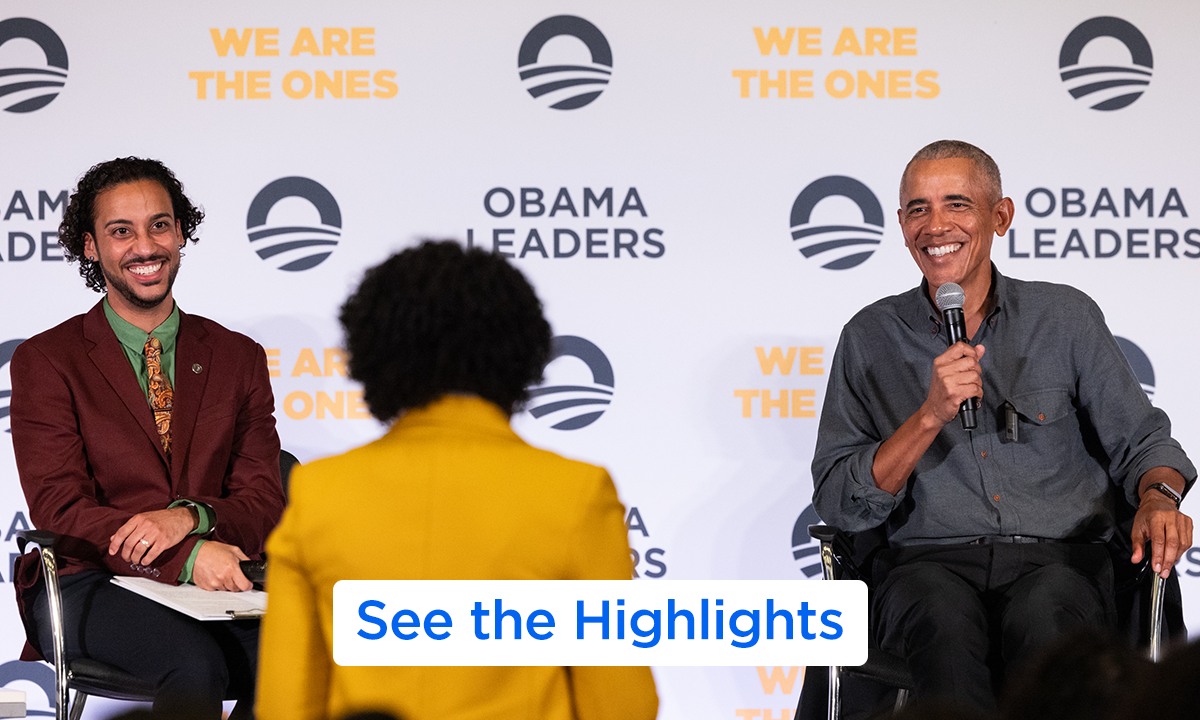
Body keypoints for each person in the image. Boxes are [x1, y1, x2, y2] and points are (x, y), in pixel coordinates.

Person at [811, 140, 1195, 711]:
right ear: (899, 225)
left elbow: (1145, 444)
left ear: (1001, 216)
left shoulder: (1063, 317)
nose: (935, 225)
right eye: (917, 208)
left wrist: (1160, 497)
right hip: (926, 565)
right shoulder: (869, 337)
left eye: (956, 205)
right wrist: (928, 416)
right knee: (941, 620)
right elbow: (839, 501)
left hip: (1059, 561)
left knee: (1048, 616)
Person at [256, 241, 658, 720]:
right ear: (520, 351)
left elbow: (287, 700)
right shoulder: (576, 492)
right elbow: (621, 703)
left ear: (375, 353)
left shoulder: (320, 490)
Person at [9, 157, 286, 719]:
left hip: (217, 582)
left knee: (302, 653)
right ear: (91, 247)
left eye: (159, 225)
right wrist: (186, 557)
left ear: (181, 233)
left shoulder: (237, 357)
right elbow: (61, 506)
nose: (145, 246)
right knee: (194, 663)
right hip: (86, 578)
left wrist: (190, 519)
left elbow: (263, 499)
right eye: (121, 231)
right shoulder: (46, 360)